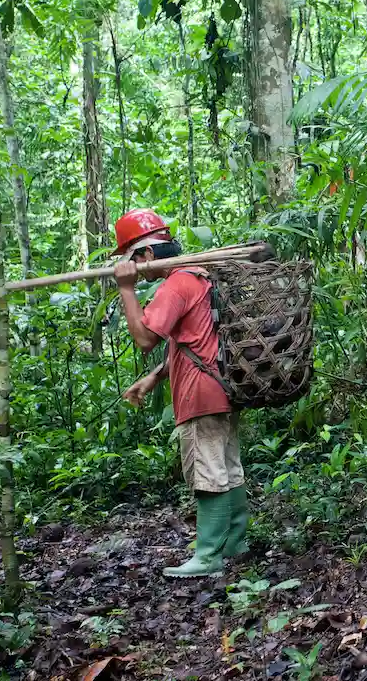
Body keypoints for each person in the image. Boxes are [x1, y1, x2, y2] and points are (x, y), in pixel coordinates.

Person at [111, 208, 248, 577]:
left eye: (133, 259)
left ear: (148, 255)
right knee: (227, 467)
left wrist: (125, 289)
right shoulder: (200, 278)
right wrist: (155, 377)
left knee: (208, 472)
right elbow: (194, 341)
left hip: (200, 395)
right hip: (222, 388)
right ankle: (235, 543)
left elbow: (144, 338)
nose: (136, 268)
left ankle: (207, 556)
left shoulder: (176, 283)